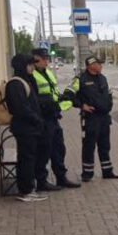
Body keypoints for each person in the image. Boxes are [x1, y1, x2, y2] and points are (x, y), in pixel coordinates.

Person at [65, 55, 118, 181]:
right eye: (98, 64)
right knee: (89, 146)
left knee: (105, 145)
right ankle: (87, 173)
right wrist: (82, 105)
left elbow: (109, 94)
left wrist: (109, 105)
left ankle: (107, 171)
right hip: (90, 118)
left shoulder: (103, 78)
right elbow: (68, 95)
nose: (101, 66)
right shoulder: (80, 79)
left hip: (104, 117)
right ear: (91, 65)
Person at [31, 48, 80, 190]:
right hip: (42, 118)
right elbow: (34, 98)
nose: (47, 61)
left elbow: (53, 92)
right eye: (44, 59)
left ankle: (61, 177)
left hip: (53, 117)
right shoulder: (31, 75)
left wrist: (62, 99)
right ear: (36, 59)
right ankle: (41, 181)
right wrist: (49, 104)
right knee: (44, 150)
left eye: (47, 58)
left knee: (58, 148)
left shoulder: (47, 72)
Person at [3, 53, 47, 203]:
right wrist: (36, 119)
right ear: (22, 66)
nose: (32, 67)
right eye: (30, 64)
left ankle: (28, 188)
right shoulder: (15, 84)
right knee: (26, 159)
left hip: (30, 127)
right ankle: (26, 190)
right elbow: (20, 108)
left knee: (29, 157)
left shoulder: (25, 81)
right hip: (25, 128)